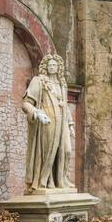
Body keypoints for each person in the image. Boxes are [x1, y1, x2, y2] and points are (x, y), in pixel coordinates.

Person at [22, 54, 75, 191]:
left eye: (55, 65)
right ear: (45, 67)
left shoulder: (62, 84)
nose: (52, 67)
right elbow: (26, 103)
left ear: (59, 68)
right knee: (48, 153)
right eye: (50, 65)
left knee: (67, 150)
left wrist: (70, 124)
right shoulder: (38, 81)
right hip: (47, 123)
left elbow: (65, 106)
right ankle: (46, 182)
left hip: (62, 123)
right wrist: (37, 113)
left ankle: (62, 179)